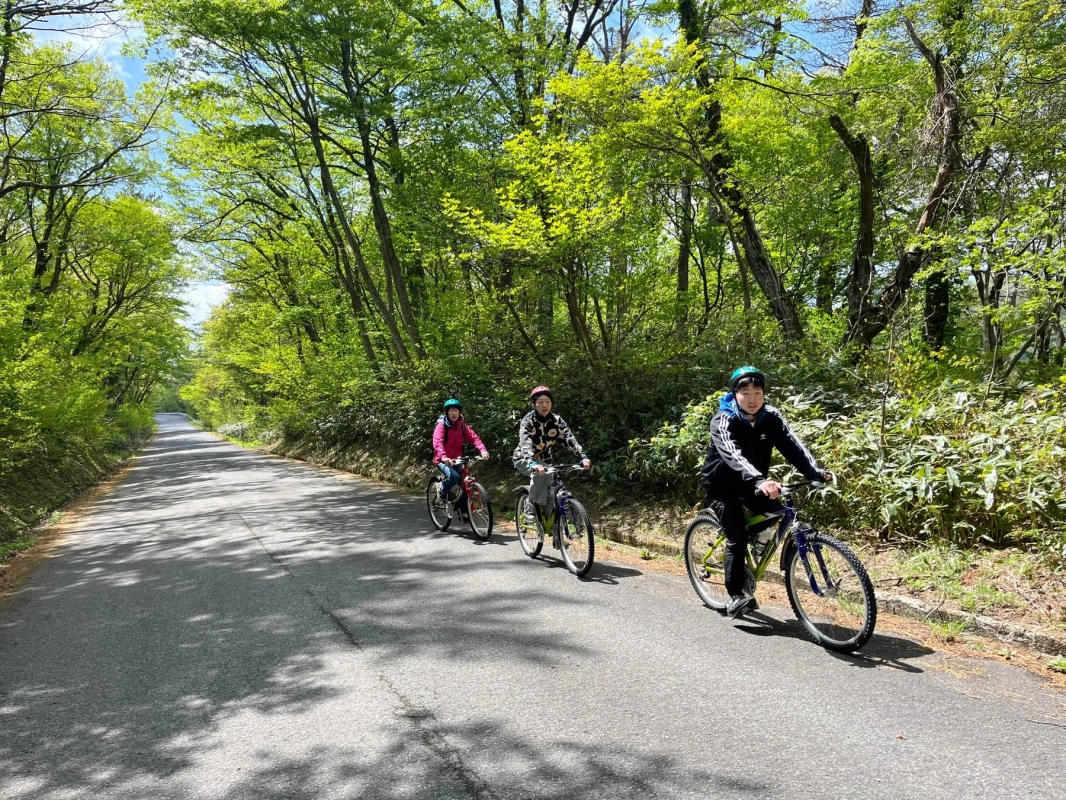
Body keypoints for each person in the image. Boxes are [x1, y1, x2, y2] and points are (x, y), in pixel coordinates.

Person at [700, 366, 832, 618]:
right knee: (736, 540)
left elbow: (793, 446)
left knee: (778, 512)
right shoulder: (723, 418)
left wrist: (815, 473)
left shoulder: (771, 417)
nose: (752, 399)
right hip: (722, 486)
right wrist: (759, 480)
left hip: (753, 484)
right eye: (745, 393)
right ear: (735, 394)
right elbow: (732, 455)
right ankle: (736, 594)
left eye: (758, 392)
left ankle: (755, 540)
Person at [512, 386, 591, 528]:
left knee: (552, 493)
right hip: (524, 459)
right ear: (533, 405)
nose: (544, 405)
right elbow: (525, 443)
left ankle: (555, 533)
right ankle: (531, 505)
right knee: (542, 474)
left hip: (546, 460)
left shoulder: (557, 421)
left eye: (547, 401)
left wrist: (582, 457)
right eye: (540, 401)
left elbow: (569, 438)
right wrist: (532, 463)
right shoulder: (528, 421)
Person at [432, 398, 489, 522]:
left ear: (459, 412)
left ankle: (464, 512)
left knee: (464, 482)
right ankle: (441, 490)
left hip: (457, 459)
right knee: (454, 477)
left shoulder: (462, 426)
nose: (454, 413)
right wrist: (444, 457)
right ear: (447, 413)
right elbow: (437, 443)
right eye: (451, 410)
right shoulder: (442, 426)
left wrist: (483, 450)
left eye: (456, 410)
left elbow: (474, 438)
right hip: (442, 459)